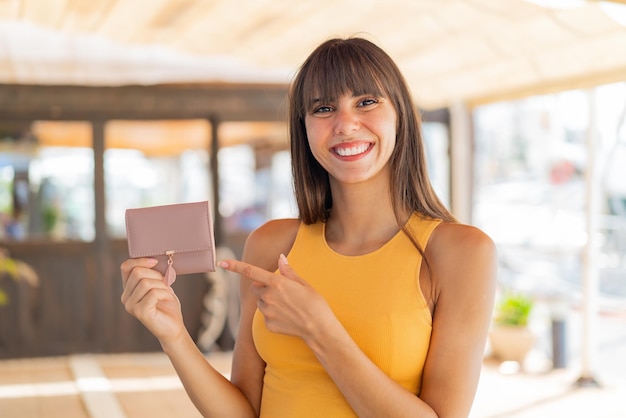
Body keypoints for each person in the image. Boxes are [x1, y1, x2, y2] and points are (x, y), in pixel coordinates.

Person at [120, 37, 497, 418]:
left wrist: (320, 331)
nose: (345, 124)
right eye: (324, 108)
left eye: (366, 101)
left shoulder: (459, 253)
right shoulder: (271, 245)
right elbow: (244, 412)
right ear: (304, 128)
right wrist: (174, 335)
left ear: (400, 113)